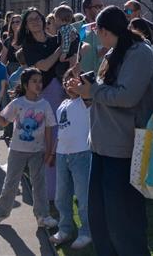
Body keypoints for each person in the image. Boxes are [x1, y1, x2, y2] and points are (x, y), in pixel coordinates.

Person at [64, 6, 153, 256]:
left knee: (124, 224)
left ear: (103, 30)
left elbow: (128, 97)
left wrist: (91, 91)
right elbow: (105, 95)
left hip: (124, 148)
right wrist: (84, 91)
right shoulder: (113, 53)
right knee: (101, 221)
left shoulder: (140, 52)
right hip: (101, 146)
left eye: (97, 30)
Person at [0, 68, 58, 229]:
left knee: (39, 184)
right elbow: (4, 122)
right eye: (34, 81)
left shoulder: (44, 104)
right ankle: (0, 213)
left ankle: (43, 216)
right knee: (11, 183)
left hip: (38, 151)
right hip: (17, 150)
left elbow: (48, 128)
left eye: (40, 81)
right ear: (25, 85)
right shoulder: (18, 103)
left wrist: (48, 151)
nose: (38, 84)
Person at [18, 7, 68, 203]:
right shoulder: (28, 45)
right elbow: (44, 66)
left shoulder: (56, 39)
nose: (35, 22)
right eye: (30, 20)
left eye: (37, 18)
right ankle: (46, 192)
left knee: (57, 139)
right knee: (44, 141)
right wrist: (61, 48)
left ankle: (59, 191)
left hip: (61, 93)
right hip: (42, 94)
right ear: (26, 26)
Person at [49, 68, 92, 249]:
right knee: (61, 196)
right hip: (61, 154)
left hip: (81, 154)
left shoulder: (86, 102)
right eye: (66, 81)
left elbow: (88, 94)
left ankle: (87, 232)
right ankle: (65, 228)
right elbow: (60, 132)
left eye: (73, 80)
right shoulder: (62, 105)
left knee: (83, 197)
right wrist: (52, 153)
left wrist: (81, 77)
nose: (68, 84)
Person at [78, 0, 106, 73]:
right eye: (97, 7)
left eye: (102, 6)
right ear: (87, 10)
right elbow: (81, 36)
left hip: (101, 76)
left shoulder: (106, 29)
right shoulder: (76, 27)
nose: (101, 10)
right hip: (81, 76)